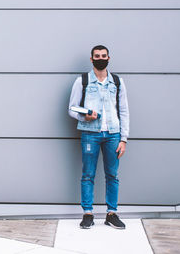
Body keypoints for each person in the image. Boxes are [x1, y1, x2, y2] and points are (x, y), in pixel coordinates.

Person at [68, 45, 129, 229]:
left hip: (113, 135)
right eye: (97, 56)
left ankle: (112, 214)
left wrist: (123, 139)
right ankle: (88, 213)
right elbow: (72, 108)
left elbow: (124, 111)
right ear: (91, 59)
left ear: (109, 58)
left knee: (112, 175)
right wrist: (84, 116)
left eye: (103, 56)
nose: (100, 58)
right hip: (90, 134)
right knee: (88, 175)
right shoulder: (82, 81)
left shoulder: (117, 82)